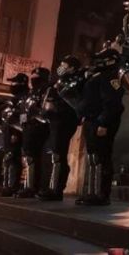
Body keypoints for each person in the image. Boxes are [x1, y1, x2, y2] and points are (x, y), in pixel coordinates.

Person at [75, 47, 125, 206]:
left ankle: (100, 194)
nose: (98, 62)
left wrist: (103, 122)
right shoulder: (100, 76)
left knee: (100, 157)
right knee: (93, 157)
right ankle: (92, 192)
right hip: (92, 120)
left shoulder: (111, 77)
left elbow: (112, 103)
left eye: (102, 59)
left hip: (100, 122)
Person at [37, 55, 83, 201]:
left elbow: (75, 102)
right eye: (61, 64)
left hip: (65, 121)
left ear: (73, 68)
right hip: (54, 121)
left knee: (58, 154)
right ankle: (51, 187)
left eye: (65, 65)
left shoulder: (76, 82)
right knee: (54, 154)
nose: (61, 68)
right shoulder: (59, 82)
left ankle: (56, 189)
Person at [16, 67, 51, 198]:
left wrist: (37, 115)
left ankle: (34, 187)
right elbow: (23, 110)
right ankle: (28, 186)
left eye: (36, 76)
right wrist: (23, 123)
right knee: (27, 157)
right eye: (32, 75)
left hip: (40, 128)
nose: (33, 78)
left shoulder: (47, 90)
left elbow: (45, 112)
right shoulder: (30, 93)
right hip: (28, 129)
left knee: (37, 159)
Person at [0, 73, 28, 196]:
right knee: (7, 159)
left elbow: (22, 119)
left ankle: (11, 186)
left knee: (12, 159)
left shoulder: (23, 100)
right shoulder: (12, 101)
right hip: (7, 133)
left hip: (15, 134)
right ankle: (6, 185)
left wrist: (16, 132)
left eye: (14, 83)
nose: (12, 85)